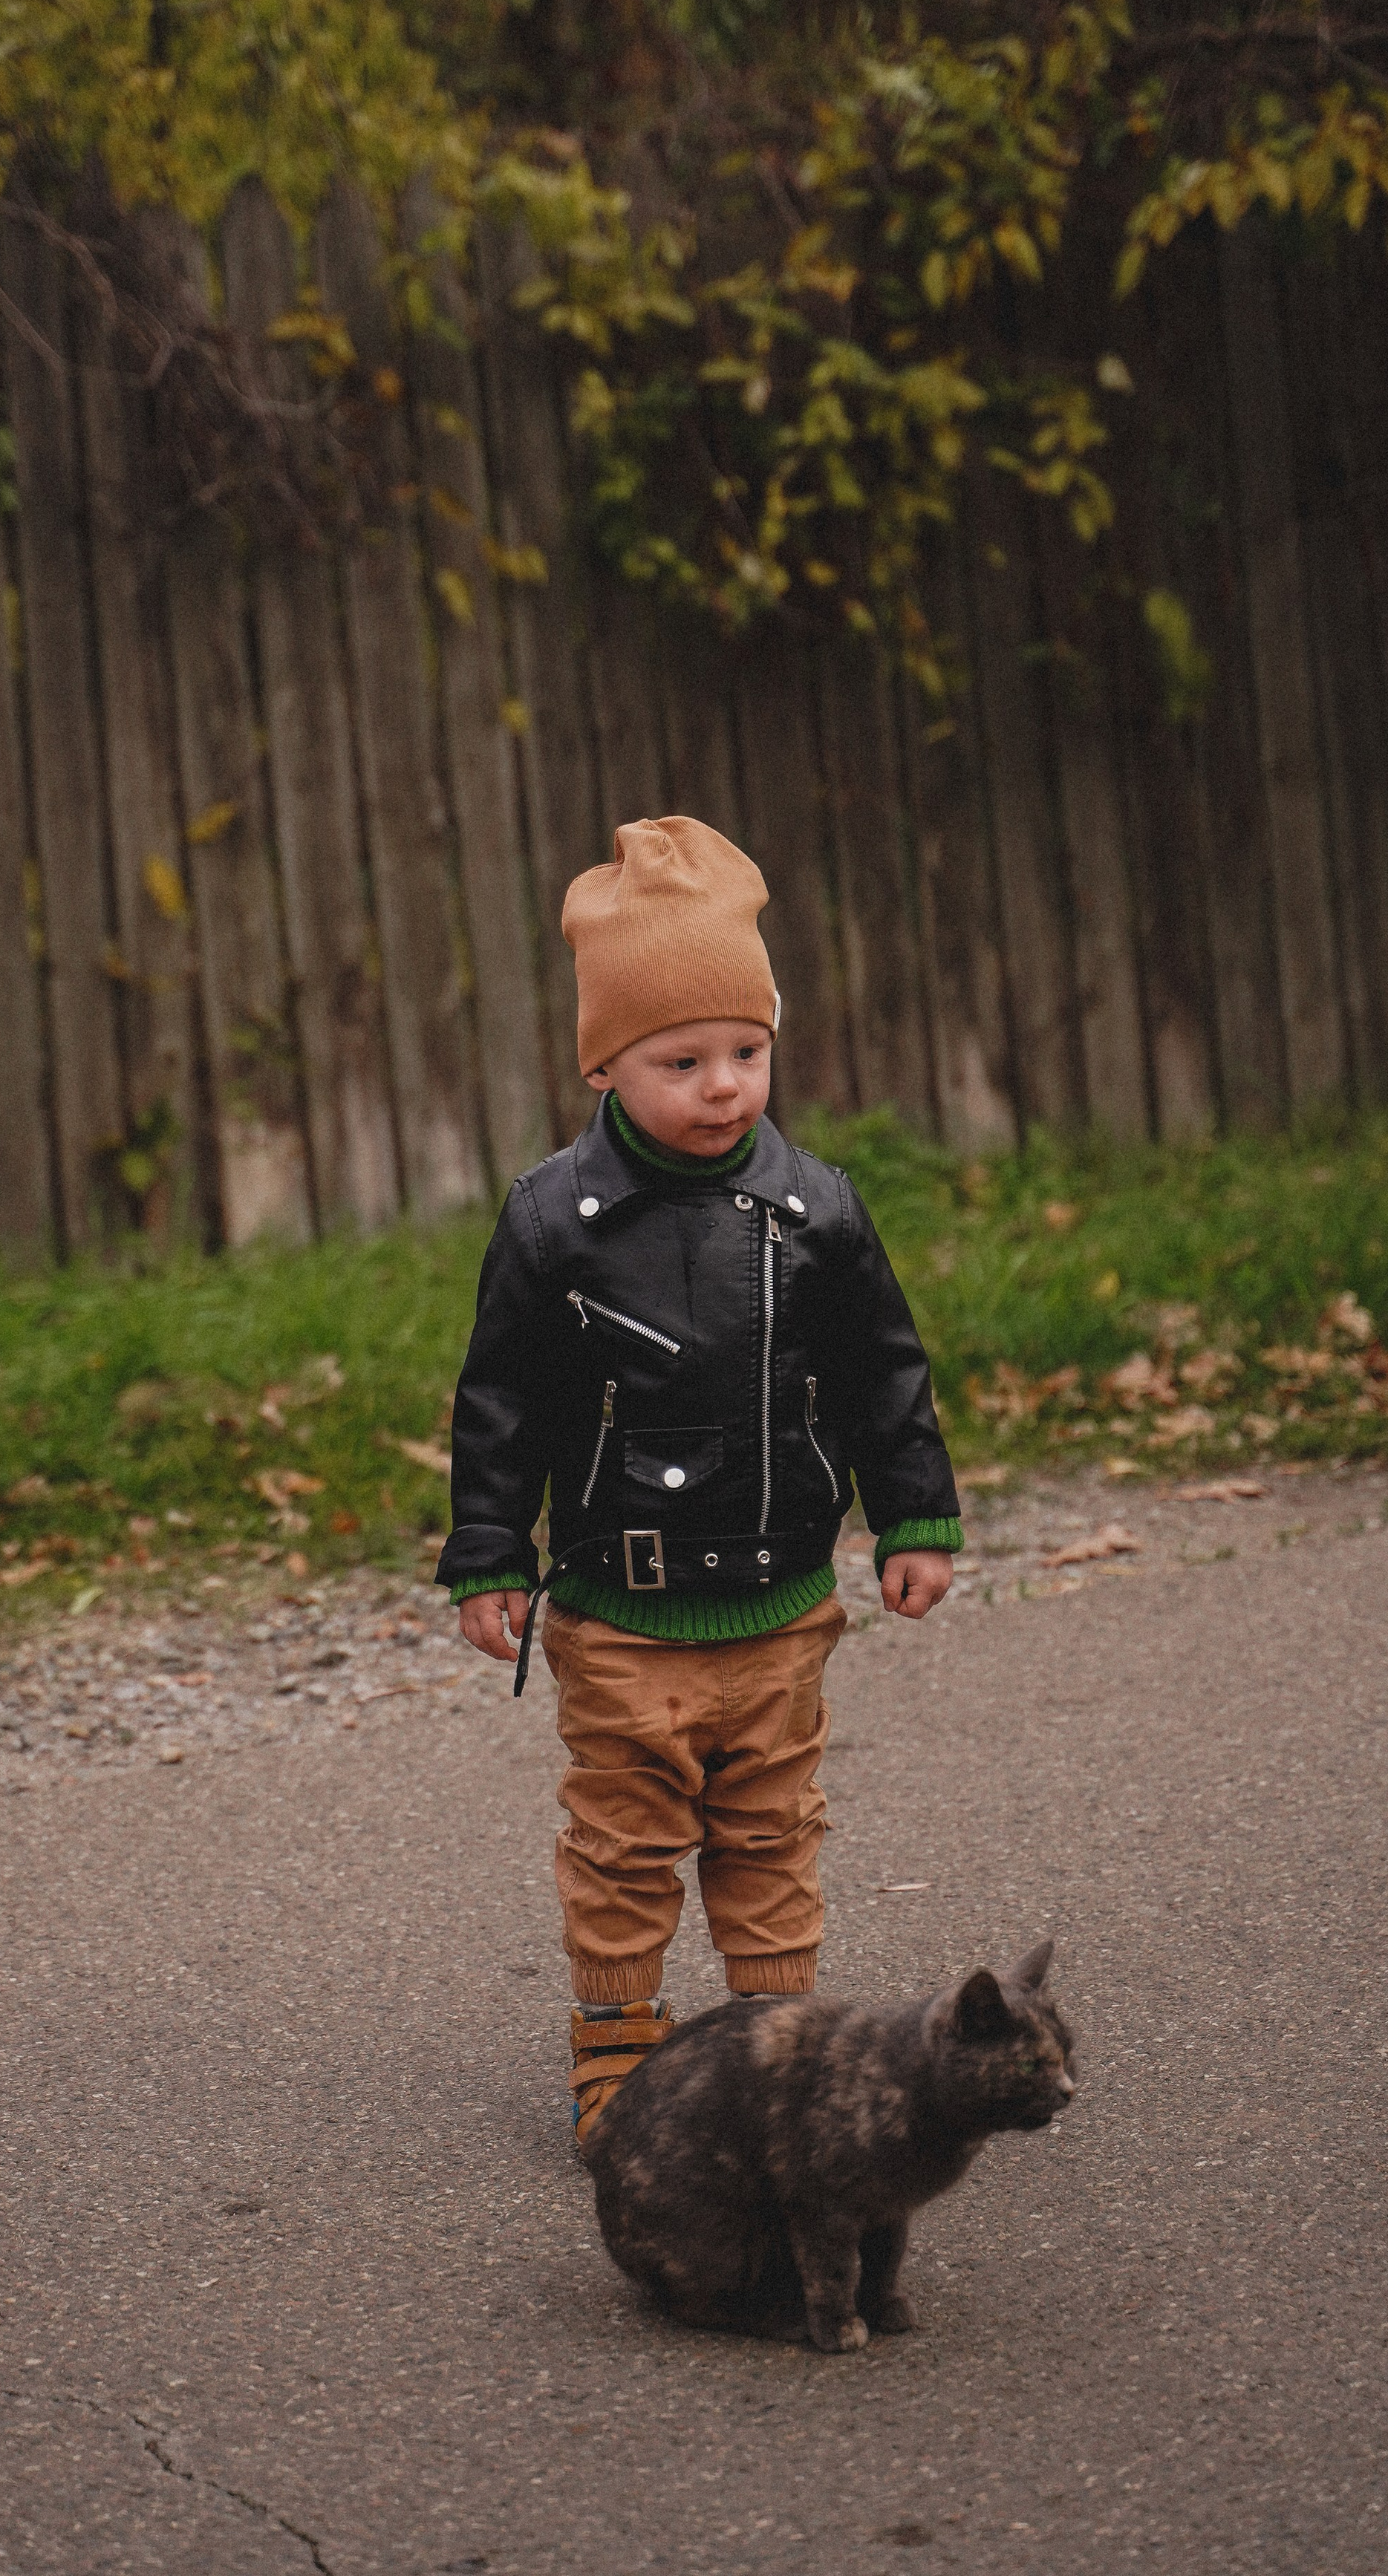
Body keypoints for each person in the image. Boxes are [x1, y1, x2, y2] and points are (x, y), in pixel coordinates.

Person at [437, 818, 962, 2142]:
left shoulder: (818, 1210)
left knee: (773, 1839)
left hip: (783, 1603)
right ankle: (618, 2058)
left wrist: (913, 1513)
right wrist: (491, 1551)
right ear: (605, 1062)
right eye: (682, 1060)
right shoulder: (554, 1223)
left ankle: (782, 2063)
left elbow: (882, 1372)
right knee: (623, 1845)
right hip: (622, 1610)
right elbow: (501, 1400)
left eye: (748, 1051)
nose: (724, 1085)